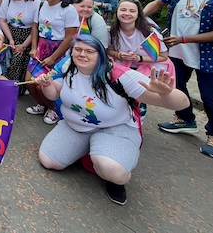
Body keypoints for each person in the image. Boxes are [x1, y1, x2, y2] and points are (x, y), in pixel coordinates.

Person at [35, 35, 189, 205]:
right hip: (75, 126)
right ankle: (88, 150)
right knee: (49, 161)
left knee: (113, 170)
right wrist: (47, 85)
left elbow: (182, 103)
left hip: (114, 128)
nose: (82, 54)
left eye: (89, 51)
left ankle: (114, 178)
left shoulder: (119, 75)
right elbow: (54, 94)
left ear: (100, 54)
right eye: (77, 50)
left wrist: (166, 93)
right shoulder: (68, 67)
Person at [143, 0, 213, 158]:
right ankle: (185, 118)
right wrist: (139, 18)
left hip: (211, 55)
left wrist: (185, 39)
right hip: (177, 52)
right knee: (175, 86)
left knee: (211, 97)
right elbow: (159, 2)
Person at [26, 0, 80, 124]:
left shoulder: (68, 10)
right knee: (29, 82)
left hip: (58, 49)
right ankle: (43, 105)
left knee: (44, 84)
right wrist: (33, 48)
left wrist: (53, 57)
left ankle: (53, 109)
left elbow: (69, 37)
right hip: (41, 47)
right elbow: (35, 27)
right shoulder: (42, 5)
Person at [0, 0, 39, 82]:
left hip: (28, 35)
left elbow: (36, 26)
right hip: (10, 33)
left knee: (19, 61)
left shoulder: (35, 2)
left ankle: (17, 88)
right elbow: (2, 20)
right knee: (6, 62)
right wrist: (10, 39)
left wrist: (24, 46)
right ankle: (4, 87)